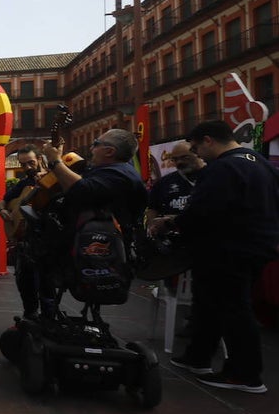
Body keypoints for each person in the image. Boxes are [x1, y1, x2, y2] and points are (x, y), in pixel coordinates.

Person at [150, 120, 279, 394]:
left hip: (227, 248)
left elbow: (202, 211)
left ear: (208, 140)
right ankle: (198, 357)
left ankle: (245, 374)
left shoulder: (221, 168)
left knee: (234, 308)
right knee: (208, 302)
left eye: (196, 148)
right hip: (256, 245)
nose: (198, 154)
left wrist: (172, 224)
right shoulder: (260, 162)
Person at [40, 128, 148, 318]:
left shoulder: (121, 175)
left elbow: (81, 190)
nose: (91, 148)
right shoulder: (110, 171)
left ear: (109, 151)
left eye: (96, 144)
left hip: (98, 252)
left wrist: (55, 160)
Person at [0, 146, 43, 320]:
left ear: (39, 158)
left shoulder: (51, 179)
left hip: (44, 240)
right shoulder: (24, 183)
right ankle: (30, 313)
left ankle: (48, 316)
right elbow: (3, 201)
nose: (28, 168)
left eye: (31, 162)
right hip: (26, 240)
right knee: (24, 280)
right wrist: (3, 211)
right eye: (23, 165)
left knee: (44, 283)